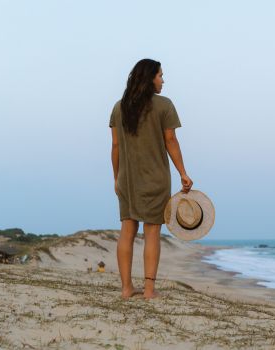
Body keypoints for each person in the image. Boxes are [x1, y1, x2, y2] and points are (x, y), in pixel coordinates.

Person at [109, 58, 193, 300]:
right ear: (149, 78)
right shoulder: (164, 105)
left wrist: (116, 178)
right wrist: (183, 173)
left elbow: (115, 147)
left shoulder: (118, 107)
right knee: (152, 232)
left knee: (127, 229)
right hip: (155, 179)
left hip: (126, 180)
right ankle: (148, 290)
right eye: (160, 76)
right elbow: (171, 142)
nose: (163, 80)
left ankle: (126, 289)